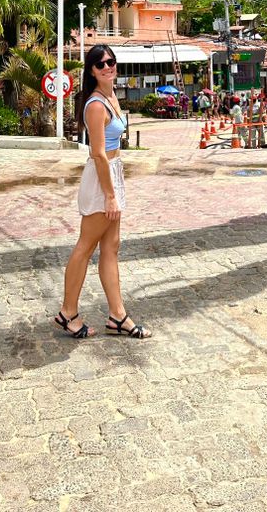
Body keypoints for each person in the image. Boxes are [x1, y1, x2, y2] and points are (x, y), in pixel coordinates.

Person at [55, 44, 151, 340]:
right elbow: (98, 154)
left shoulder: (111, 97)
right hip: (101, 179)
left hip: (113, 173)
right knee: (85, 246)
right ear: (92, 71)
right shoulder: (96, 105)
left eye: (111, 61)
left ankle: (118, 316)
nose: (108, 66)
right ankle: (67, 312)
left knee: (111, 247)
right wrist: (110, 194)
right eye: (101, 64)